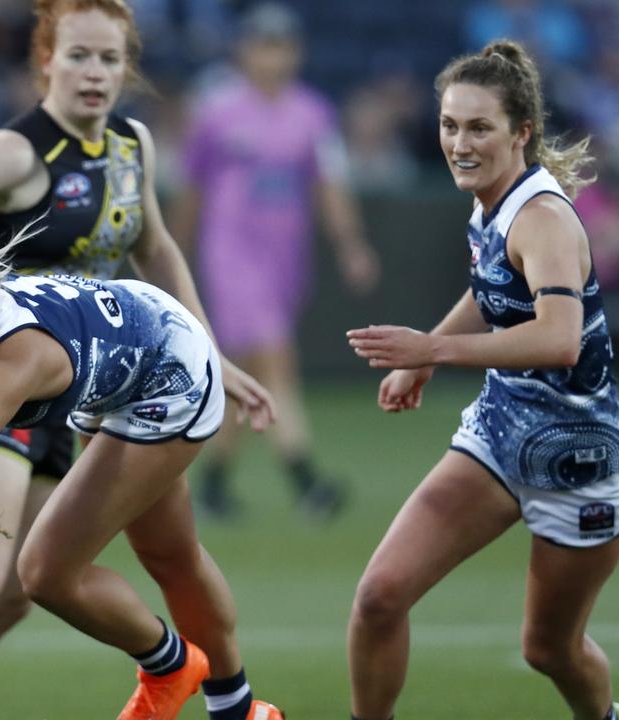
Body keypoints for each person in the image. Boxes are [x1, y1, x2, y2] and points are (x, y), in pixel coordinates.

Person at [0, 2, 273, 719]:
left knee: (109, 571)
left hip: (107, 381)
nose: (95, 73)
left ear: (127, 68)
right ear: (44, 58)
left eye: (110, 59)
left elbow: (156, 249)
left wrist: (211, 351)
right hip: (12, 378)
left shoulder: (131, 143)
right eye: (79, 55)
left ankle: (236, 707)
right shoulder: (11, 154)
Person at [0, 229, 283, 720]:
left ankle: (170, 667)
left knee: (45, 573)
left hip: (168, 373)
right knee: (169, 552)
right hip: (117, 366)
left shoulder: (17, 360)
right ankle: (242, 712)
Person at [344, 41, 619, 720]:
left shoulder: (542, 217)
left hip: (582, 463)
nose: (459, 142)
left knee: (549, 651)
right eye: (450, 126)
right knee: (380, 595)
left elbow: (559, 338)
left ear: (521, 133)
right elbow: (490, 290)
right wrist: (425, 354)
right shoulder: (488, 204)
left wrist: (434, 351)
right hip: (501, 439)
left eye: (479, 127)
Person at [173, 2, 380, 520]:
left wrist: (350, 243)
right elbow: (191, 190)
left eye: (282, 45)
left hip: (285, 260)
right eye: (264, 44)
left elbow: (329, 185)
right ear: (244, 51)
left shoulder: (313, 115)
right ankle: (307, 480)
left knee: (244, 369)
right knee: (275, 361)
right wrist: (172, 257)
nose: (273, 56)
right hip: (231, 255)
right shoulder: (216, 112)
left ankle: (214, 485)